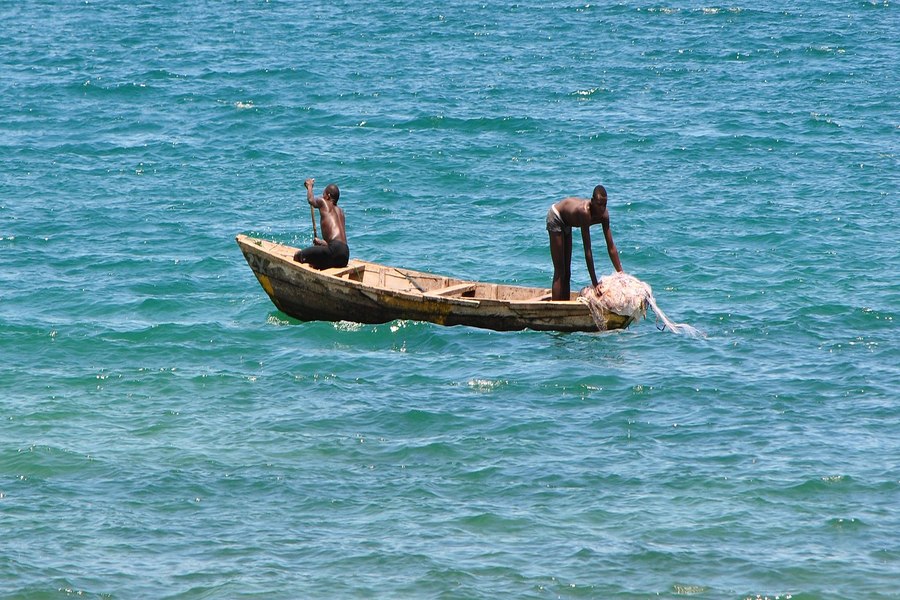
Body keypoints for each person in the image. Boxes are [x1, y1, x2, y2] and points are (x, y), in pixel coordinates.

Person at [546, 184, 623, 301]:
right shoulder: (584, 212)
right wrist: (595, 283)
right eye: (599, 205)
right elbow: (587, 250)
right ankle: (555, 309)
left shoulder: (604, 215)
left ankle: (564, 305)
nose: (602, 208)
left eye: (605, 205)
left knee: (567, 271)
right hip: (556, 217)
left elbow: (611, 246)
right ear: (592, 202)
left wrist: (621, 273)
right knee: (560, 271)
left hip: (567, 222)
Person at [293, 178, 349, 269]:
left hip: (333, 250)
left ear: (328, 196)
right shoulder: (341, 212)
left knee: (299, 256)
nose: (322, 197)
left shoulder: (323, 202)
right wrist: (322, 243)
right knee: (315, 265)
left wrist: (309, 186)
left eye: (323, 195)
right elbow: (336, 241)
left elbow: (311, 200)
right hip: (345, 254)